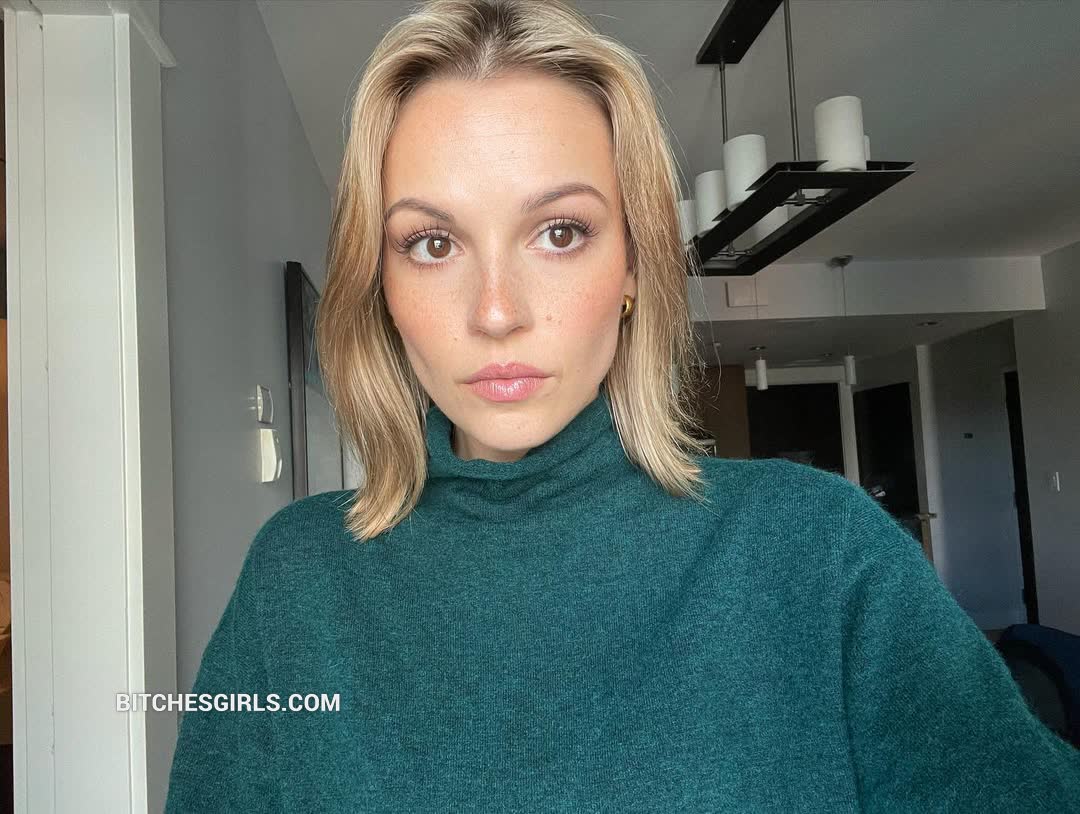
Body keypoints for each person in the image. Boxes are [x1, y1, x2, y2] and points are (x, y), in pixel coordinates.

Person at [164, 0, 1080, 810]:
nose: (496, 312)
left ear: (635, 264)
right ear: (381, 280)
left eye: (559, 232)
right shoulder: (297, 579)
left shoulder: (817, 553)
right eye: (433, 243)